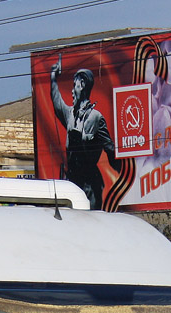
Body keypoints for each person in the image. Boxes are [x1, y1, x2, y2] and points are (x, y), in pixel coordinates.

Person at [50, 54, 121, 210]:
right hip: (72, 185)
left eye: (74, 86)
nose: (72, 91)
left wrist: (123, 172)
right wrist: (53, 78)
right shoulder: (70, 114)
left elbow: (109, 147)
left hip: (89, 187)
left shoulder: (95, 117)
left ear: (82, 84)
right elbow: (57, 104)